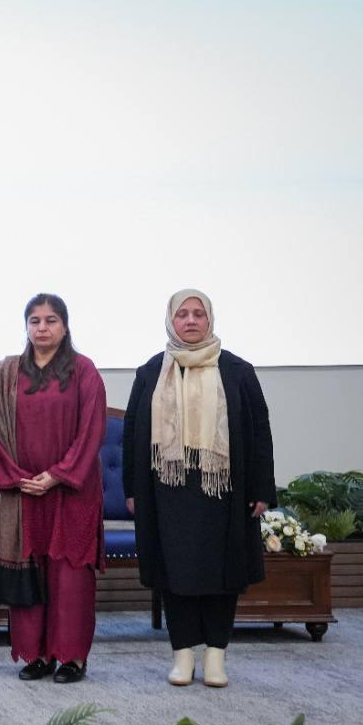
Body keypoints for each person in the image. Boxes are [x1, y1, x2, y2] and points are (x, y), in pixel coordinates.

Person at [124, 289, 274, 688]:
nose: (190, 321)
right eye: (182, 315)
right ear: (171, 321)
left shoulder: (239, 371)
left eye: (198, 314)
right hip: (167, 490)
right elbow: (133, 436)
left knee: (223, 573)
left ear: (210, 320)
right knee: (176, 574)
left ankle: (216, 657)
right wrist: (131, 489)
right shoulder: (150, 372)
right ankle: (183, 656)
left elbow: (259, 433)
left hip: (225, 490)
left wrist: (261, 488)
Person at [0, 294, 106, 685]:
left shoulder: (84, 371)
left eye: (51, 320)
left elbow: (91, 431)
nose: (42, 327)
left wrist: (57, 475)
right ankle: (36, 655)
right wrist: (19, 477)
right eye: (34, 320)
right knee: (29, 571)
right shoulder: (9, 373)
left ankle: (70, 657)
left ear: (65, 326)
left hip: (71, 492)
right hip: (23, 492)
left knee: (70, 577)